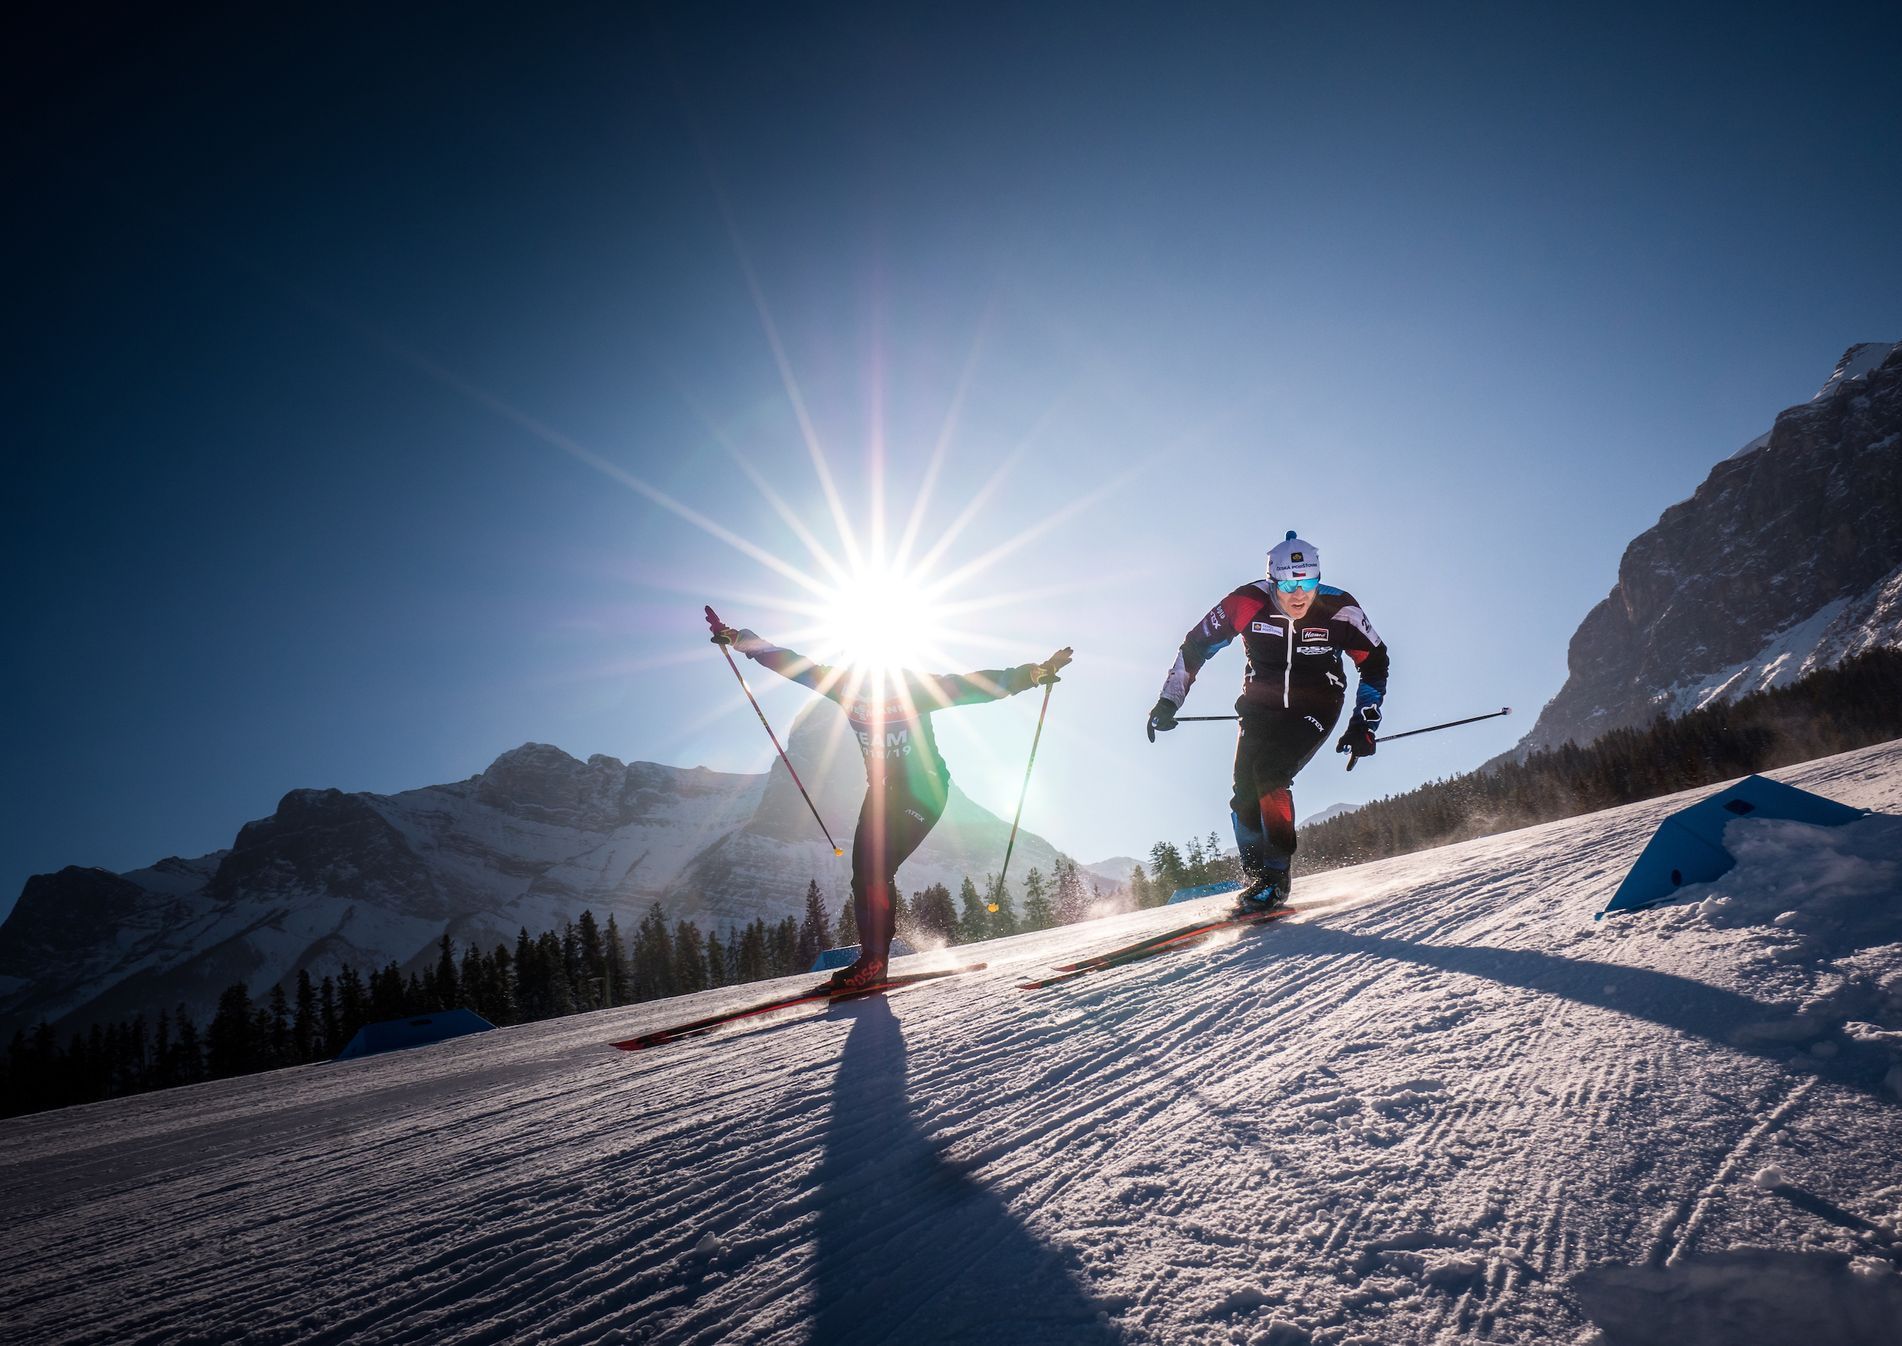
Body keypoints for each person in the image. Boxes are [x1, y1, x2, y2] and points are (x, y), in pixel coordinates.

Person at [708, 611, 1073, 992]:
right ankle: (873, 958)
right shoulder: (842, 685)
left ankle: (874, 963)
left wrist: (1033, 674)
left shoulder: (915, 689)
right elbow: (791, 664)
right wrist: (740, 640)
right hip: (881, 793)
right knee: (864, 872)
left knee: (876, 865)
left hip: (924, 790)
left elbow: (975, 686)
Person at [1146, 531, 1389, 914]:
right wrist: (1168, 700)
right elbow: (1195, 647)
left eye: (1308, 582)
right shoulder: (1246, 602)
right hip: (1260, 707)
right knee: (1243, 792)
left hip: (1318, 702)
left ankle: (1276, 879)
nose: (1299, 594)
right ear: (1272, 580)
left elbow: (1374, 662)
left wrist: (1364, 722)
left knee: (1271, 773)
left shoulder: (1340, 609)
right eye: (1289, 584)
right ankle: (1257, 878)